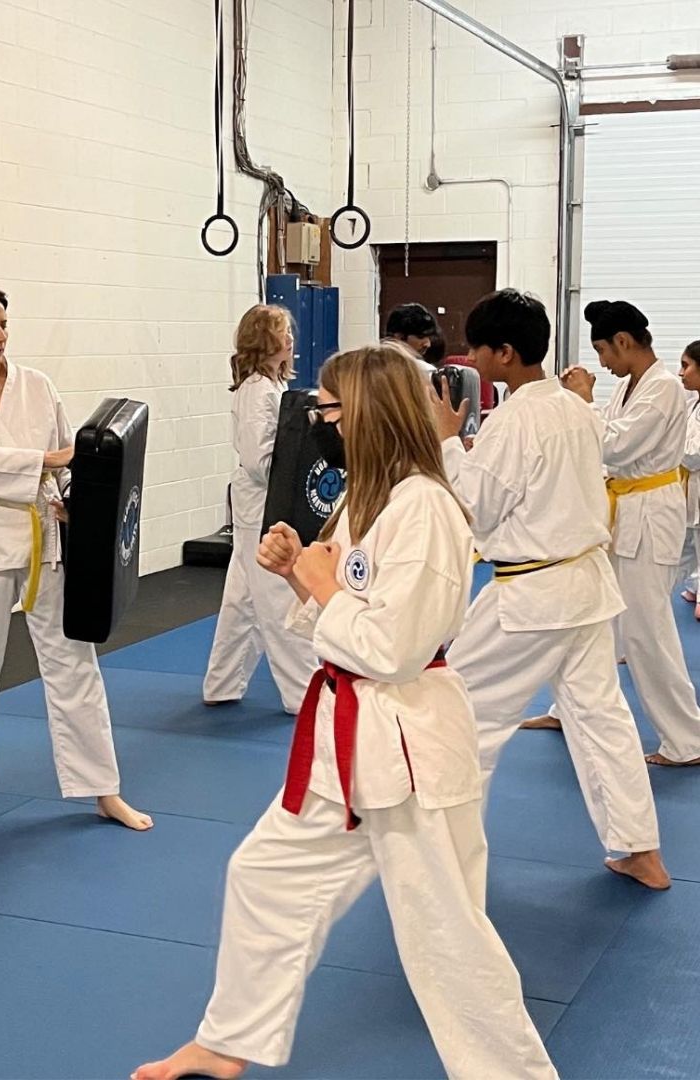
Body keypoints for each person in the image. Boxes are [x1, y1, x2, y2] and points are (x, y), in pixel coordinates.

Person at [133, 344, 556, 1080]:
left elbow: (393, 645)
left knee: (447, 936)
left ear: (366, 412)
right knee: (265, 876)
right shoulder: (368, 496)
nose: (319, 420)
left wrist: (322, 584)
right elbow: (347, 613)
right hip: (351, 740)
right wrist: (301, 570)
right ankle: (231, 1039)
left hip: (410, 748)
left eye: (328, 407)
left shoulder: (425, 508)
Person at [431, 290, 668, 888]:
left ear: (504, 353)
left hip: (532, 595)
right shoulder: (576, 409)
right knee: (601, 719)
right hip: (587, 587)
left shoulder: (516, 419)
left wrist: (445, 444)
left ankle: (444, 863)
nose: (472, 359)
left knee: (459, 714)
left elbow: (479, 507)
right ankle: (639, 848)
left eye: (479, 349)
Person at [0, 279, 151, 830]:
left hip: (44, 538)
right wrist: (51, 459)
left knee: (73, 664)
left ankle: (103, 787)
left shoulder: (36, 385)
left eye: (4, 325)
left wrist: (68, 500)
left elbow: (70, 463)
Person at [526, 301, 700, 767]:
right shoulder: (631, 386)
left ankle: (687, 739)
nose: (601, 361)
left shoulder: (663, 388)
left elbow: (614, 443)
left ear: (623, 341)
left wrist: (583, 400)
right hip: (621, 512)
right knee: (592, 617)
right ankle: (568, 709)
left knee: (647, 632)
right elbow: (606, 436)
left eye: (603, 349)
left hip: (649, 512)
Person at [203, 305, 317, 714]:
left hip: (261, 505)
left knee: (243, 600)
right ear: (264, 341)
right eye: (282, 333)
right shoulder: (257, 390)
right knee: (277, 601)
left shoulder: (270, 388)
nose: (289, 340)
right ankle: (305, 694)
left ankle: (222, 682)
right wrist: (293, 479)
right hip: (261, 508)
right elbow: (258, 459)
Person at [677, 340, 700, 619]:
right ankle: (694, 585)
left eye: (686, 365)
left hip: (695, 475)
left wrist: (673, 448)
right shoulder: (692, 403)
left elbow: (693, 453)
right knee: (688, 539)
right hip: (689, 484)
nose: (680, 373)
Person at [384, 302, 438, 375]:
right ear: (399, 337)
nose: (428, 344)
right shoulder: (374, 370)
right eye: (420, 337)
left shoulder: (428, 372)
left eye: (429, 337)